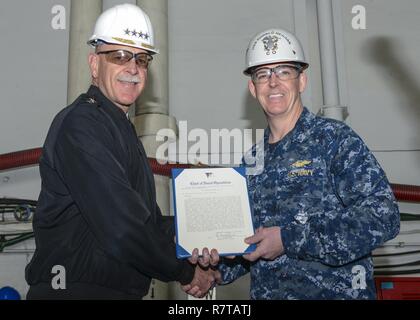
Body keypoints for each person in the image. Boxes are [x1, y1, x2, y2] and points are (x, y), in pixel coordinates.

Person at [189, 28, 400, 299]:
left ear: (302, 81)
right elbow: (248, 243)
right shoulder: (250, 162)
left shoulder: (334, 140)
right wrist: (216, 272)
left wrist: (289, 239)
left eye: (284, 72)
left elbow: (384, 216)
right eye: (263, 74)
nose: (273, 82)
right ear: (253, 88)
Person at [25, 4, 218, 299]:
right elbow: (123, 228)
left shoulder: (120, 129)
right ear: (94, 64)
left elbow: (147, 222)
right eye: (119, 56)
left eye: (142, 59)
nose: (132, 68)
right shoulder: (81, 124)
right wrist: (186, 271)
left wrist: (207, 230)